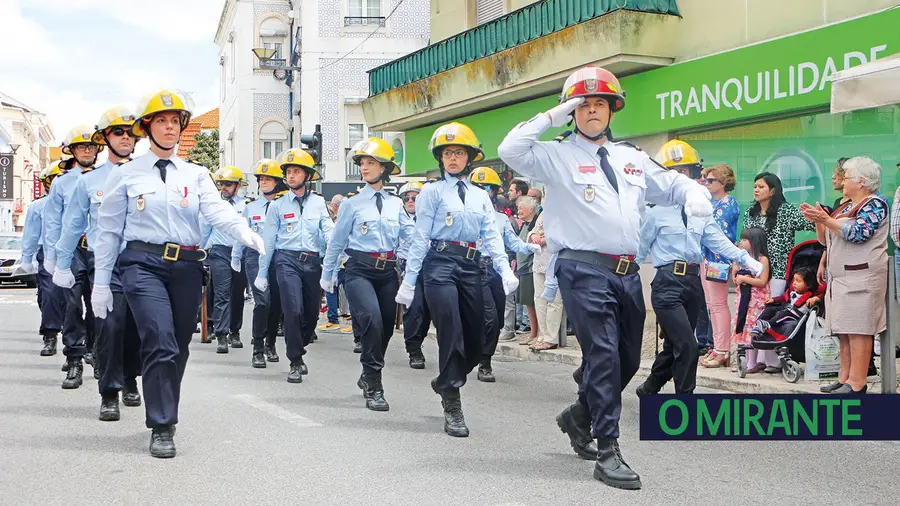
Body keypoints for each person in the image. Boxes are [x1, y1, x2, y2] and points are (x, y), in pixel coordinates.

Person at [497, 65, 712, 489]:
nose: (591, 111)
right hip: (583, 268)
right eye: (583, 104)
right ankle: (608, 448)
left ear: (613, 110)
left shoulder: (630, 156)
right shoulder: (556, 155)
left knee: (628, 360)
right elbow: (511, 148)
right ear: (572, 111)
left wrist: (694, 192)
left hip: (627, 272)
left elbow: (668, 185)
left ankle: (578, 416)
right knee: (603, 355)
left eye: (599, 103)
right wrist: (555, 113)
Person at [92, 89, 265, 458]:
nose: (169, 128)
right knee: (159, 338)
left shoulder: (197, 173)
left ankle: (162, 400)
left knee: (178, 346)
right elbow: (107, 232)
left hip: (186, 266)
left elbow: (217, 211)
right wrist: (101, 283)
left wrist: (243, 232)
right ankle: (162, 424)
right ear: (147, 127)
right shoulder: (126, 175)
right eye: (161, 121)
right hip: (142, 263)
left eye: (175, 122)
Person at [396, 122, 518, 437]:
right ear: (441, 158)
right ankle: (452, 399)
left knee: (481, 333)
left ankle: (444, 380)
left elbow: (491, 236)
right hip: (439, 264)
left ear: (469, 158)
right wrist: (410, 281)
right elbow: (421, 236)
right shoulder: (432, 192)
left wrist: (504, 271)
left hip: (472, 265)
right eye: (448, 153)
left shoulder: (480, 196)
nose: (453, 158)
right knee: (450, 328)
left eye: (459, 153)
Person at [633, 141, 761, 395]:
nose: (682, 178)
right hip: (667, 284)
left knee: (674, 346)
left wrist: (746, 260)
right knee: (688, 345)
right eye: (675, 172)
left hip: (692, 282)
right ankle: (684, 402)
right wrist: (620, 279)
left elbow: (717, 240)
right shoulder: (654, 212)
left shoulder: (700, 210)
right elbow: (638, 250)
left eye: (687, 171)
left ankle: (649, 389)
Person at [54, 107, 143, 419]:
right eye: (118, 132)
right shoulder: (89, 182)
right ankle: (109, 392)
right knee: (108, 326)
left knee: (135, 327)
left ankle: (131, 377)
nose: (125, 137)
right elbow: (72, 224)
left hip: (142, 263)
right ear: (106, 138)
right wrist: (61, 264)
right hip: (104, 263)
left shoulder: (150, 174)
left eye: (130, 132)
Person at [322, 138, 412, 411]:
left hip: (387, 271)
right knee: (370, 320)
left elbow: (411, 236)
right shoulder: (352, 204)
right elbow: (337, 241)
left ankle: (368, 373)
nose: (364, 167)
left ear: (384, 167)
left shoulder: (396, 204)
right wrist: (328, 274)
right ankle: (374, 383)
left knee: (385, 328)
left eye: (370, 162)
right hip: (358, 270)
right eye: (362, 163)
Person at [800, 156, 888, 394]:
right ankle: (845, 378)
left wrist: (827, 219)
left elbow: (858, 233)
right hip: (841, 279)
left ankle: (857, 383)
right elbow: (825, 240)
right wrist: (819, 221)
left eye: (846, 176)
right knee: (845, 330)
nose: (842, 181)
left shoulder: (874, 204)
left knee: (859, 330)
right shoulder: (846, 206)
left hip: (861, 277)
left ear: (861, 181)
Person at [255, 148, 332, 384]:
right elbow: (268, 240)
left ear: (307, 176)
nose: (291, 176)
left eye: (296, 171)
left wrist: (336, 252)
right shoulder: (278, 206)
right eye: (288, 172)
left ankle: (302, 341)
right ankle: (295, 360)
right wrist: (262, 273)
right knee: (293, 310)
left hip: (312, 262)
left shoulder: (319, 203)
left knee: (310, 315)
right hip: (285, 261)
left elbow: (327, 229)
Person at [45, 124, 102, 389]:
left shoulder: (108, 176)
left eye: (91, 146)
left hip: (100, 250)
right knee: (71, 306)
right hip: (73, 250)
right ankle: (75, 361)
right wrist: (53, 256)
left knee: (100, 306)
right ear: (72, 151)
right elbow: (53, 222)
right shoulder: (61, 182)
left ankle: (100, 355)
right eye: (82, 146)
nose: (88, 150)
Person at [469, 166, 539, 380]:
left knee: (497, 319)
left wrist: (531, 246)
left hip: (496, 270)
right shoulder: (466, 216)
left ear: (493, 192)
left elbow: (514, 243)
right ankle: (482, 361)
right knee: (486, 316)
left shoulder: (501, 219)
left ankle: (484, 356)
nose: (483, 192)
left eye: (487, 188)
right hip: (473, 268)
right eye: (477, 188)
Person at [742, 172, 814, 372]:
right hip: (755, 272)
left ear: (773, 190)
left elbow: (811, 224)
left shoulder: (786, 211)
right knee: (754, 315)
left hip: (779, 271)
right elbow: (745, 242)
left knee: (773, 313)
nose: (756, 190)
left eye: (761, 186)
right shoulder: (751, 212)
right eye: (755, 186)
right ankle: (757, 360)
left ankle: (773, 361)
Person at [233, 159, 288, 368]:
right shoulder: (251, 207)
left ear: (277, 182)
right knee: (262, 301)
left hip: (278, 257)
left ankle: (270, 343)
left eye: (268, 179)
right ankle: (257, 347)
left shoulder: (283, 205)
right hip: (255, 257)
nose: (263, 182)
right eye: (261, 179)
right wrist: (235, 257)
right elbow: (242, 234)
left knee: (276, 304)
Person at [21, 163, 66, 357]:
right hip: (47, 253)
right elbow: (31, 235)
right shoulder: (38, 206)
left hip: (75, 252)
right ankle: (50, 334)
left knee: (73, 298)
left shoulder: (78, 202)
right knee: (48, 295)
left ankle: (88, 341)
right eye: (53, 179)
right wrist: (27, 259)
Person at [698, 164, 740, 368]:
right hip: (706, 257)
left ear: (723, 182)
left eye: (711, 179)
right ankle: (717, 347)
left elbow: (716, 230)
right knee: (711, 305)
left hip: (719, 259)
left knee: (718, 304)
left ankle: (722, 349)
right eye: (705, 179)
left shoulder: (728, 203)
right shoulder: (711, 202)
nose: (706, 182)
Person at [202, 166, 248, 353]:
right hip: (219, 253)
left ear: (237, 186)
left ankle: (234, 331)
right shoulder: (214, 205)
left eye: (228, 184)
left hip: (240, 253)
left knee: (238, 294)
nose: (224, 188)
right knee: (221, 293)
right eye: (221, 184)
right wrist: (200, 253)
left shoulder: (245, 206)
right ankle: (221, 334)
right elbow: (205, 230)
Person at [396, 181, 431, 369]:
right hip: (408, 266)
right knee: (414, 307)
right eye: (406, 198)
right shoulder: (397, 217)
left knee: (429, 310)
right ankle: (413, 349)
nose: (410, 201)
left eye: (415, 198)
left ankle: (419, 339)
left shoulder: (431, 217)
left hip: (430, 265)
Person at [730, 227, 772, 374]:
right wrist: (736, 269)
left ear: (753, 241)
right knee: (744, 328)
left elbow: (762, 281)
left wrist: (745, 279)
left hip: (756, 300)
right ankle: (747, 361)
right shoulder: (743, 258)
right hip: (743, 299)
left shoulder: (762, 259)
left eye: (744, 240)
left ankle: (753, 363)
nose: (741, 242)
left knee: (752, 330)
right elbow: (736, 280)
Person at [749, 267, 823, 342]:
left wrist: (816, 298)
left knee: (782, 313)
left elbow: (822, 294)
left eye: (798, 281)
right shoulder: (792, 292)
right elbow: (783, 297)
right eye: (794, 280)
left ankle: (767, 324)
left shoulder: (810, 296)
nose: (794, 283)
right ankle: (758, 326)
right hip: (786, 309)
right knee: (769, 309)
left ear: (808, 285)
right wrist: (773, 299)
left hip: (795, 315)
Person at [514, 196, 541, 345]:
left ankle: (537, 333)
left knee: (533, 301)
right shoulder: (525, 225)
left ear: (531, 209)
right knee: (527, 302)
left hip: (531, 267)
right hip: (523, 267)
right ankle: (533, 333)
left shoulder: (535, 224)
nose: (519, 211)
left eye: (521, 208)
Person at [319, 194, 345, 332]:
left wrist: (332, 270)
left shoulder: (340, 221)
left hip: (342, 263)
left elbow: (336, 247)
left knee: (331, 290)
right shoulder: (337, 221)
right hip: (341, 263)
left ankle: (333, 319)